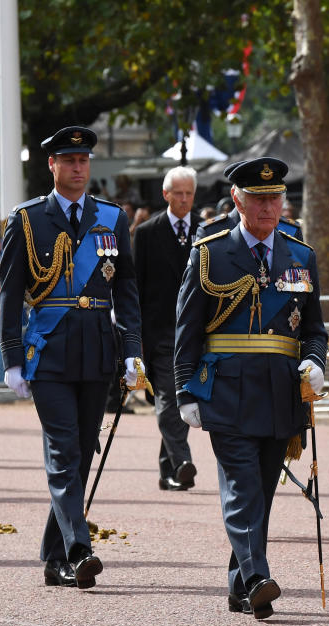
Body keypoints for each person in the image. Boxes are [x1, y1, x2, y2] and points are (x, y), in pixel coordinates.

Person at [174, 157, 328, 619]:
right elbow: (187, 327)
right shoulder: (210, 252)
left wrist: (315, 359)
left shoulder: (300, 254)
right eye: (258, 199)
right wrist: (184, 390)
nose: (268, 207)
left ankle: (240, 587)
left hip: (281, 390)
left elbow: (314, 327)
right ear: (237, 200)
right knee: (241, 487)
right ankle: (259, 576)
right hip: (227, 387)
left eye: (275, 198)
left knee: (261, 489)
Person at [0, 126, 143, 589]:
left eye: (83, 161)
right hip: (50, 353)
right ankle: (79, 549)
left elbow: (127, 291)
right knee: (63, 452)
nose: (78, 168)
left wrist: (133, 353)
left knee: (81, 454)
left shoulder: (111, 218)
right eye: (69, 160)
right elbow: (11, 292)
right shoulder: (27, 220)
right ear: (52, 166)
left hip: (98, 350)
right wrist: (12, 358)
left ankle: (54, 556)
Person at [134, 166, 202, 491]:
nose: (185, 199)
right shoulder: (146, 233)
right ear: (166, 195)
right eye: (178, 193)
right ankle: (182, 460)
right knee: (167, 397)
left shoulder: (206, 231)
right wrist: (135, 339)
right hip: (160, 333)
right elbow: (135, 288)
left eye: (189, 193)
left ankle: (168, 470)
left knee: (183, 397)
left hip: (198, 333)